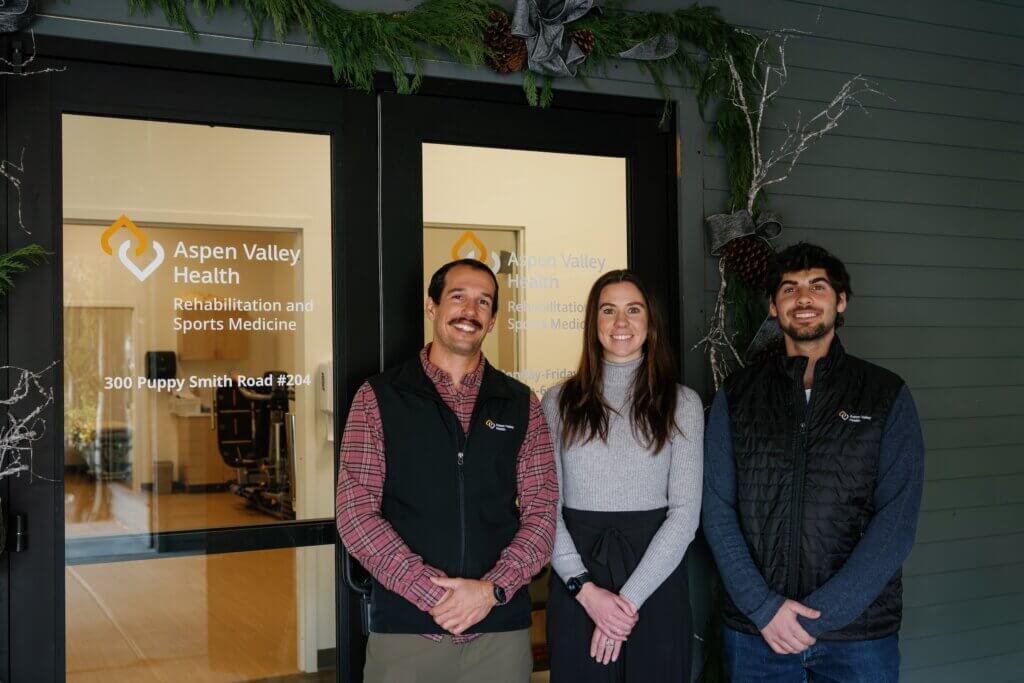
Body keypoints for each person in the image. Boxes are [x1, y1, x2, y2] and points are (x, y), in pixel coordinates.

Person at [703, 242, 925, 682]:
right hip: (756, 634)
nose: (803, 299)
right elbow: (716, 509)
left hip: (858, 638)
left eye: (817, 287)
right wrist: (765, 609)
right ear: (773, 306)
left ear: (840, 302)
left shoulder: (885, 394)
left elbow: (896, 523)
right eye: (789, 289)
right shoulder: (737, 395)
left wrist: (818, 617)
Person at [336, 258, 559, 683]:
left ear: (492, 320)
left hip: (499, 633)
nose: (469, 311)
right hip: (407, 631)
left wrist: (491, 590)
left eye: (483, 302)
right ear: (431, 307)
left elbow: (542, 514)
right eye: (458, 297)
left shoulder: (520, 403)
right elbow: (356, 515)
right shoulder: (378, 398)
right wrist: (430, 593)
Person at [542, 269, 704, 682]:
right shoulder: (558, 402)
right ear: (593, 323)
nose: (620, 323)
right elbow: (545, 507)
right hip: (578, 582)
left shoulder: (682, 404)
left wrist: (626, 602)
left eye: (633, 310)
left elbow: (684, 516)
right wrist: (587, 592)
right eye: (608, 310)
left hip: (655, 583)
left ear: (650, 322)